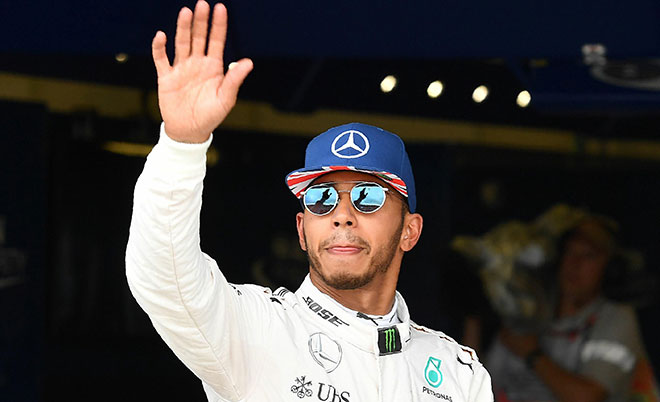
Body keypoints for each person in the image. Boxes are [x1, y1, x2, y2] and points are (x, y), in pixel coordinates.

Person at [125, 1, 493, 401]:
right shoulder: (256, 331)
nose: (342, 216)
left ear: (410, 230)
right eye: (321, 199)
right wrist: (182, 145)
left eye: (368, 197)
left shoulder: (458, 374)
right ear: (302, 229)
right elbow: (164, 277)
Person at [486, 216, 658, 402]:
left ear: (610, 268)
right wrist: (472, 321)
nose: (574, 264)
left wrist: (532, 354)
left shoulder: (617, 316)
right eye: (570, 252)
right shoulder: (527, 312)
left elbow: (587, 397)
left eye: (588, 255)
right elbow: (477, 386)